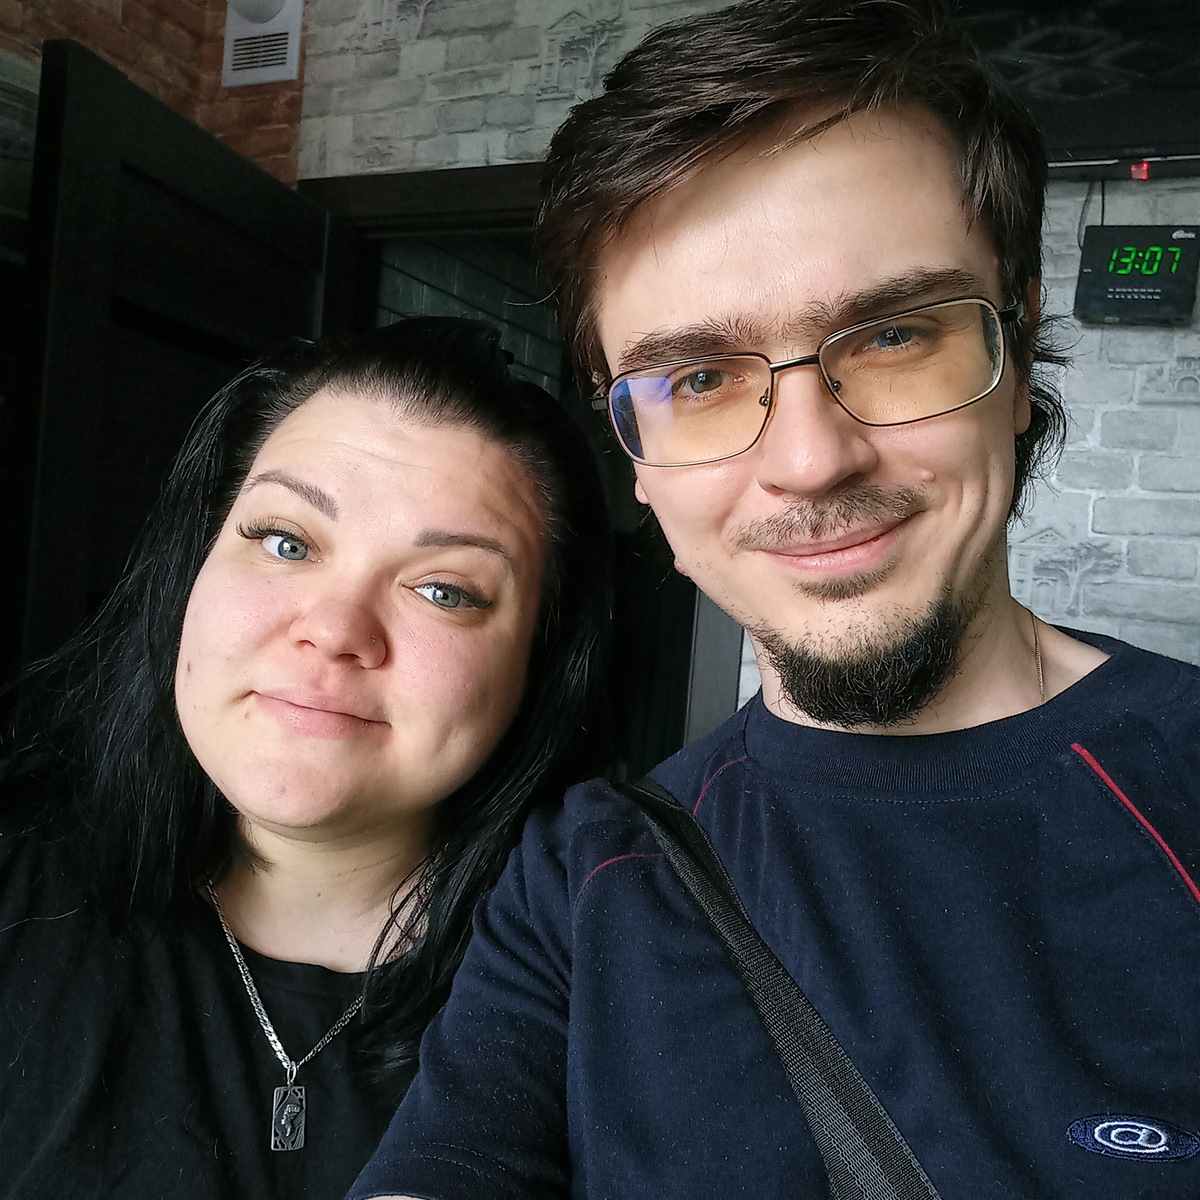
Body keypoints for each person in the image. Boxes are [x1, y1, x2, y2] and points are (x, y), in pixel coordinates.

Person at [349, 2, 1200, 1198]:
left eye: (893, 334)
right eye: (698, 376)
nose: (809, 461)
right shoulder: (579, 889)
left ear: (1015, 353)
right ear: (636, 458)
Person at [0, 316, 610, 1200]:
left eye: (444, 590)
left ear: (538, 669)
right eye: (286, 542)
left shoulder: (621, 991)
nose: (333, 629)